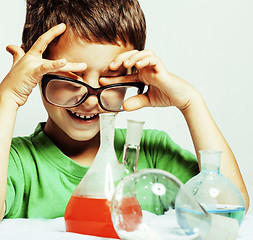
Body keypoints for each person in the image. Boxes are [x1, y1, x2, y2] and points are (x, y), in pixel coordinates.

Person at [0, 0, 249, 220]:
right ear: (35, 68)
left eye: (112, 77)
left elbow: (230, 207)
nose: (90, 98)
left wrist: (191, 103)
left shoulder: (151, 154)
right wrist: (7, 97)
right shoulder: (18, 163)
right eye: (72, 76)